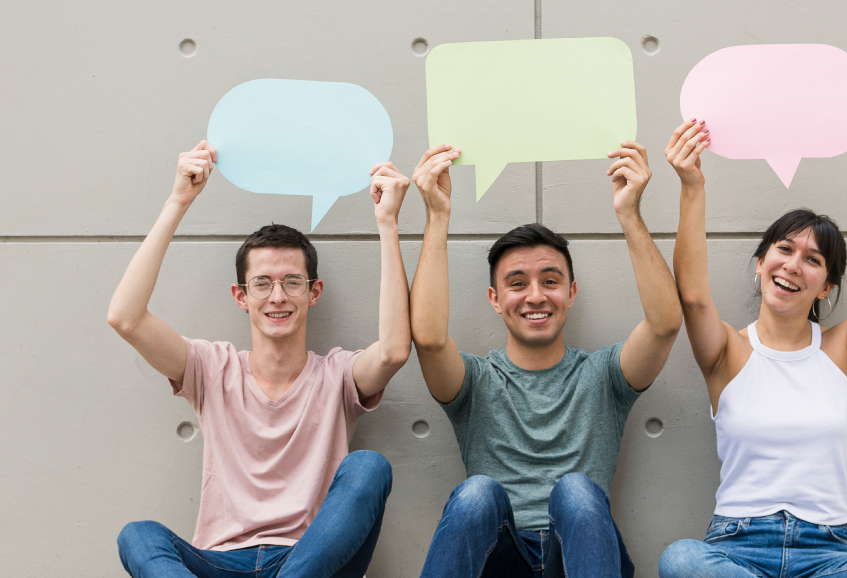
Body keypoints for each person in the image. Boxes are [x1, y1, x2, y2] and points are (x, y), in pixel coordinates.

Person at [109, 141, 412, 577]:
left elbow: (396, 350)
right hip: (220, 562)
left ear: (314, 292)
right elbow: (125, 318)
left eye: (292, 281)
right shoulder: (211, 369)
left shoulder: (337, 375)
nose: (277, 296)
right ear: (241, 296)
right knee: (138, 536)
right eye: (262, 283)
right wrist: (178, 200)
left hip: (308, 561)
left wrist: (388, 222)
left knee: (369, 467)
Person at [658, 120, 847, 578]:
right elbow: (692, 295)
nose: (793, 265)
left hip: (829, 554)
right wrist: (692, 185)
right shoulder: (727, 352)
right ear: (760, 263)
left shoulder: (846, 349)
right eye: (784, 249)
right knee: (681, 559)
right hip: (737, 549)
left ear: (826, 287)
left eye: (813, 260)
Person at [409, 142, 683, 578]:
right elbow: (427, 340)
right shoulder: (475, 381)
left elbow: (665, 324)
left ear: (570, 294)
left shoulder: (604, 375)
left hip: (580, 558)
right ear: (495, 299)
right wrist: (437, 214)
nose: (535, 296)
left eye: (550, 281)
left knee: (575, 491)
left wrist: (630, 213)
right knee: (477, 493)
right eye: (517, 284)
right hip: (501, 562)